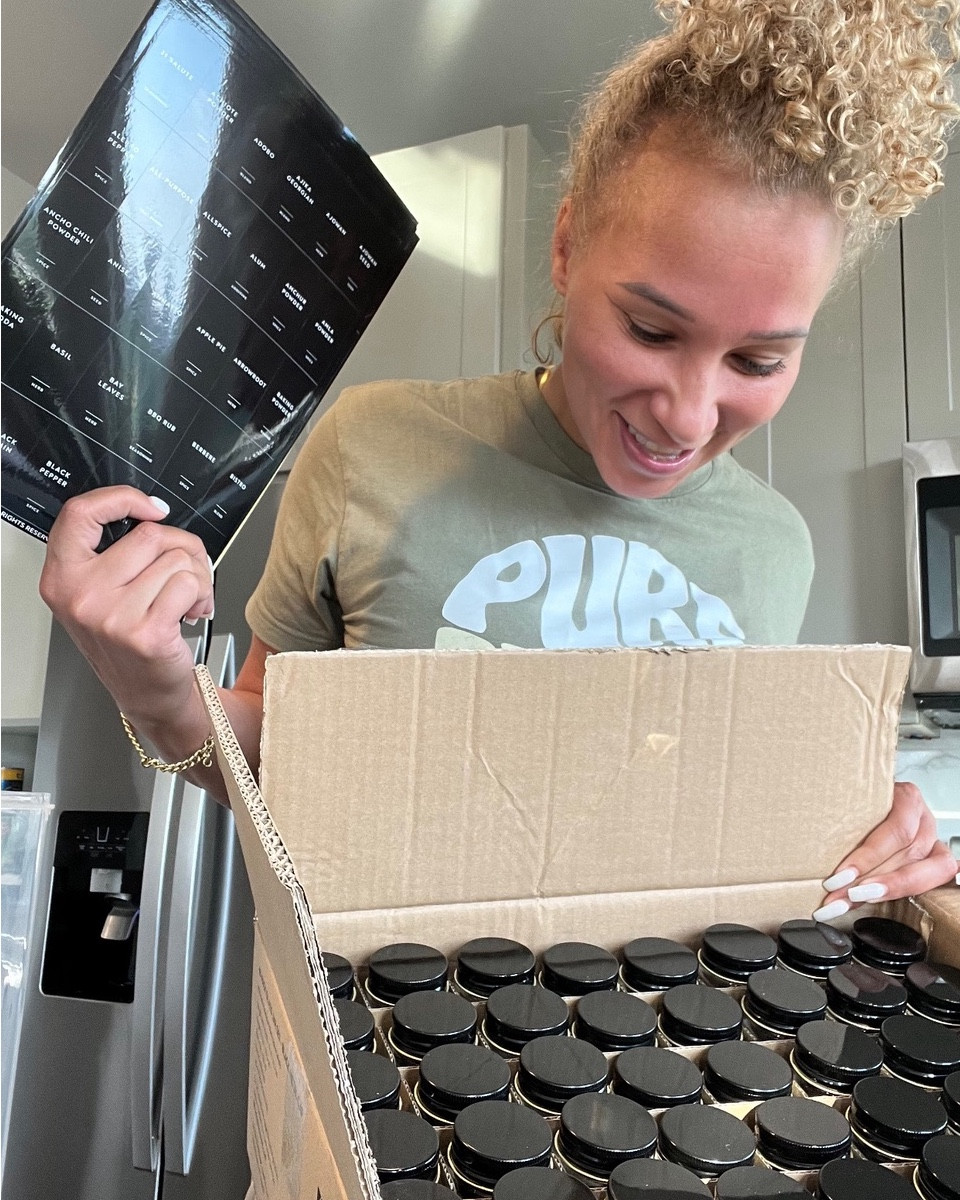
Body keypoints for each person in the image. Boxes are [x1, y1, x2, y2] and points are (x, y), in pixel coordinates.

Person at [39, 0, 960, 921]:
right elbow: (279, 752)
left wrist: (871, 832)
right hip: (390, 1031)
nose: (687, 414)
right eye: (649, 329)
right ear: (565, 248)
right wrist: (162, 699)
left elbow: (726, 835)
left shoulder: (776, 548)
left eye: (757, 361)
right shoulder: (373, 451)